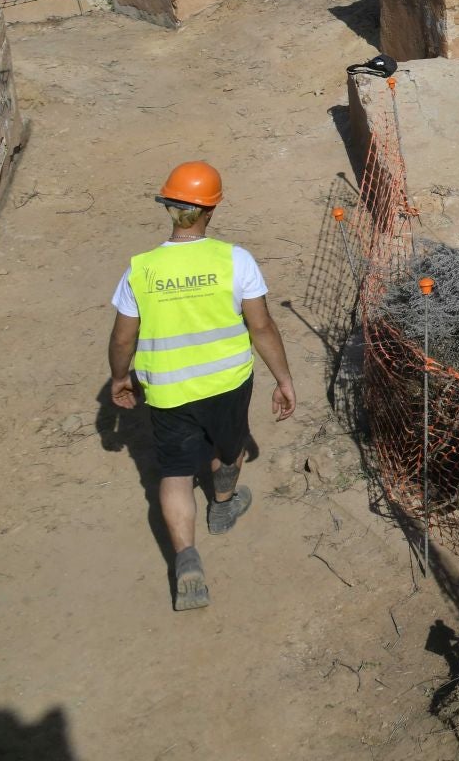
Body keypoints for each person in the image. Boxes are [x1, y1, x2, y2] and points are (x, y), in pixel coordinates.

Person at [107, 160, 297, 610]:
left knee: (173, 473)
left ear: (169, 207)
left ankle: (187, 560)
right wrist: (284, 379)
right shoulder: (235, 261)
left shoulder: (141, 270)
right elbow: (263, 326)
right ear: (211, 210)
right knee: (227, 447)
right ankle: (224, 505)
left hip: (169, 390)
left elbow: (122, 337)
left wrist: (119, 377)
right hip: (229, 382)